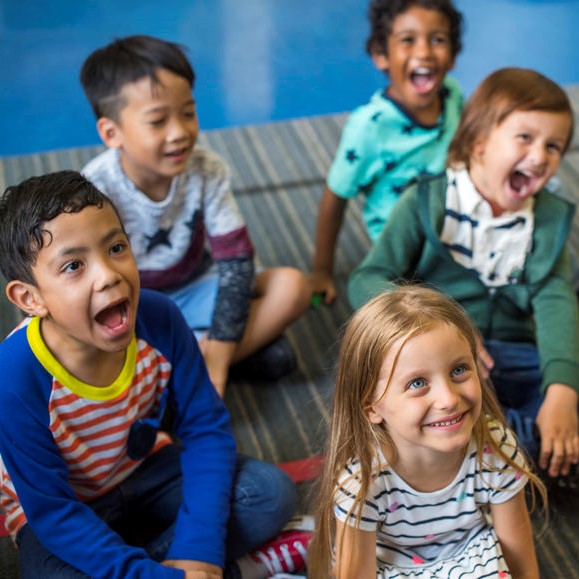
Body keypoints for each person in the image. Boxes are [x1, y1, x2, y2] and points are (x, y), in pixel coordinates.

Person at [0, 171, 298, 579]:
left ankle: (185, 565)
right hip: (69, 507)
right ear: (29, 298)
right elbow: (54, 513)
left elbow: (206, 428)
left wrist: (200, 550)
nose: (108, 274)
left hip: (145, 470)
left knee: (269, 493)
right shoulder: (13, 377)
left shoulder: (160, 318)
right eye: (73, 265)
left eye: (116, 247)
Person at [349, 67, 579, 480]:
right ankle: (524, 452)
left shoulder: (546, 219)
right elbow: (367, 279)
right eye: (525, 138)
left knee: (566, 392)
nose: (541, 156)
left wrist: (561, 393)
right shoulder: (427, 202)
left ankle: (510, 450)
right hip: (440, 364)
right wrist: (440, 323)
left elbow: (557, 302)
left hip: (513, 356)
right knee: (401, 400)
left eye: (554, 146)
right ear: (478, 143)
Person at [80, 35, 311, 396]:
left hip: (201, 286)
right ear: (112, 133)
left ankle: (194, 363)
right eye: (158, 121)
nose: (180, 132)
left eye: (188, 112)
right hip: (137, 305)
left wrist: (218, 358)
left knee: (294, 287)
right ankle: (225, 352)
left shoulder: (207, 169)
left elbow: (237, 264)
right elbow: (91, 282)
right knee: (84, 340)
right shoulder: (95, 189)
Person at [308, 285, 547, 578]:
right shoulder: (362, 483)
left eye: (459, 370)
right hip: (391, 566)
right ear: (371, 406)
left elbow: (520, 560)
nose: (448, 399)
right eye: (417, 383)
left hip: (468, 556)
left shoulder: (493, 446)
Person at [310, 0, 463, 304]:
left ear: (453, 56)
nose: (424, 52)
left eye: (438, 40)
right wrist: (321, 271)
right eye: (408, 40)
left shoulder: (454, 94)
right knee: (410, 313)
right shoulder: (369, 127)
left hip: (456, 224)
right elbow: (335, 195)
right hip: (404, 251)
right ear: (381, 55)